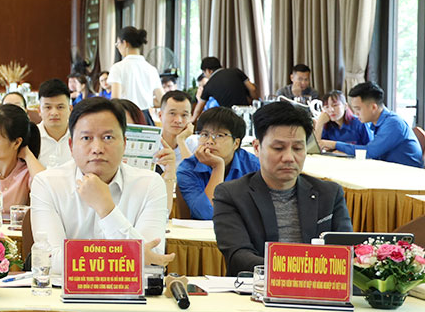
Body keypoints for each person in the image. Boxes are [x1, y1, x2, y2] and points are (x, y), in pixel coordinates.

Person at [30, 97, 173, 277]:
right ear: (71, 146)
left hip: (131, 294)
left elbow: (152, 263)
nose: (97, 148)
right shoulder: (47, 183)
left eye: (108, 137)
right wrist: (133, 256)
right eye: (86, 138)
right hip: (63, 293)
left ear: (125, 143)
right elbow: (50, 260)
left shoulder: (150, 184)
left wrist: (106, 209)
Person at [214, 101, 352, 276]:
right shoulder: (231, 195)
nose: (289, 157)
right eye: (278, 148)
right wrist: (296, 272)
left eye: (298, 148)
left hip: (318, 288)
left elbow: (346, 252)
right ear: (257, 148)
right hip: (257, 289)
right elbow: (238, 256)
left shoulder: (330, 194)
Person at [176, 107, 260, 220]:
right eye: (204, 134)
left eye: (219, 135)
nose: (209, 141)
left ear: (236, 143)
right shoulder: (188, 169)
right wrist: (218, 167)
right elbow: (207, 214)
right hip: (203, 231)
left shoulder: (254, 166)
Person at [319, 82, 423, 167]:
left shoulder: (393, 124)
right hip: (389, 171)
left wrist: (334, 144)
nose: (355, 113)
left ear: (373, 107)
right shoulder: (378, 124)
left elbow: (369, 152)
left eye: (358, 109)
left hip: (407, 176)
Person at [107, 26, 162, 112]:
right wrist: (146, 102)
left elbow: (116, 100)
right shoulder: (151, 69)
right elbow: (161, 100)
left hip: (127, 114)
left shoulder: (118, 67)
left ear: (125, 43)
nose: (118, 47)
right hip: (145, 116)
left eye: (117, 44)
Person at [35, 78, 73, 169]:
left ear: (70, 109)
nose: (54, 113)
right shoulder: (31, 137)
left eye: (60, 107)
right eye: (48, 107)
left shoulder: (79, 135)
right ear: (39, 110)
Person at [157, 89, 196, 167]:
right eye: (172, 113)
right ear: (160, 115)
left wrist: (181, 140)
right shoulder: (151, 143)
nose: (178, 120)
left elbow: (192, 172)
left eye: (184, 115)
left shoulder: (195, 144)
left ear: (190, 117)